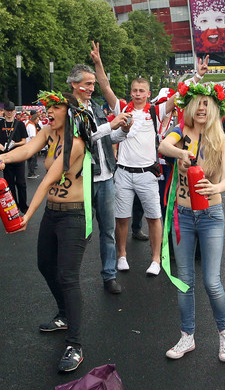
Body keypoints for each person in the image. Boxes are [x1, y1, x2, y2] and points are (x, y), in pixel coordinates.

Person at [0, 91, 104, 372]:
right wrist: (4, 157)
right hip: (53, 213)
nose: (49, 111)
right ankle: (64, 314)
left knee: (68, 275)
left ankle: (75, 344)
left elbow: (47, 180)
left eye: (56, 107)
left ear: (70, 111)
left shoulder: (75, 143)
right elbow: (27, 151)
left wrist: (25, 215)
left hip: (75, 216)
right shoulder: (47, 132)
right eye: (47, 106)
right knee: (44, 264)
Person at [158, 81, 225, 362]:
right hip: (182, 216)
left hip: (211, 216)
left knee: (211, 281)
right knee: (184, 281)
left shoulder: (224, 141)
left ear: (215, 108)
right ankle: (187, 336)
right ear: (191, 107)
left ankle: (224, 334)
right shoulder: (181, 133)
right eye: (198, 103)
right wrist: (180, 154)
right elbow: (163, 144)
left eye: (207, 103)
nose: (202, 108)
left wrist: (217, 188)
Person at [92, 42, 180, 276]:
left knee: (154, 218)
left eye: (142, 91)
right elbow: (104, 86)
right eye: (135, 91)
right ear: (131, 92)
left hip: (147, 174)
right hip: (122, 172)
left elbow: (180, 95)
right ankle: (122, 255)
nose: (138, 94)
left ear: (149, 93)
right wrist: (98, 63)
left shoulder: (156, 111)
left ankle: (155, 260)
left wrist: (197, 77)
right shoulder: (121, 107)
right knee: (122, 219)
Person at [71, 50, 132, 293]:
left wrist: (124, 130)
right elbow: (88, 136)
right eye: (88, 84)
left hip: (106, 177)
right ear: (74, 85)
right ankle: (71, 275)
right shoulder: (69, 109)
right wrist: (111, 124)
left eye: (93, 84)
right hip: (84, 178)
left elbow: (108, 137)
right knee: (80, 231)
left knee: (108, 230)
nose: (92, 88)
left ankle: (109, 275)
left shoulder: (95, 106)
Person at [0, 101, 28, 213]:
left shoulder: (20, 124)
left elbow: (24, 141)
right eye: (7, 110)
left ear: (14, 111)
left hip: (18, 156)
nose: (9, 113)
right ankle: (14, 206)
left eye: (11, 111)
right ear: (4, 111)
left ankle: (23, 206)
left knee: (21, 183)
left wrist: (15, 144)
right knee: (9, 184)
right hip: (5, 158)